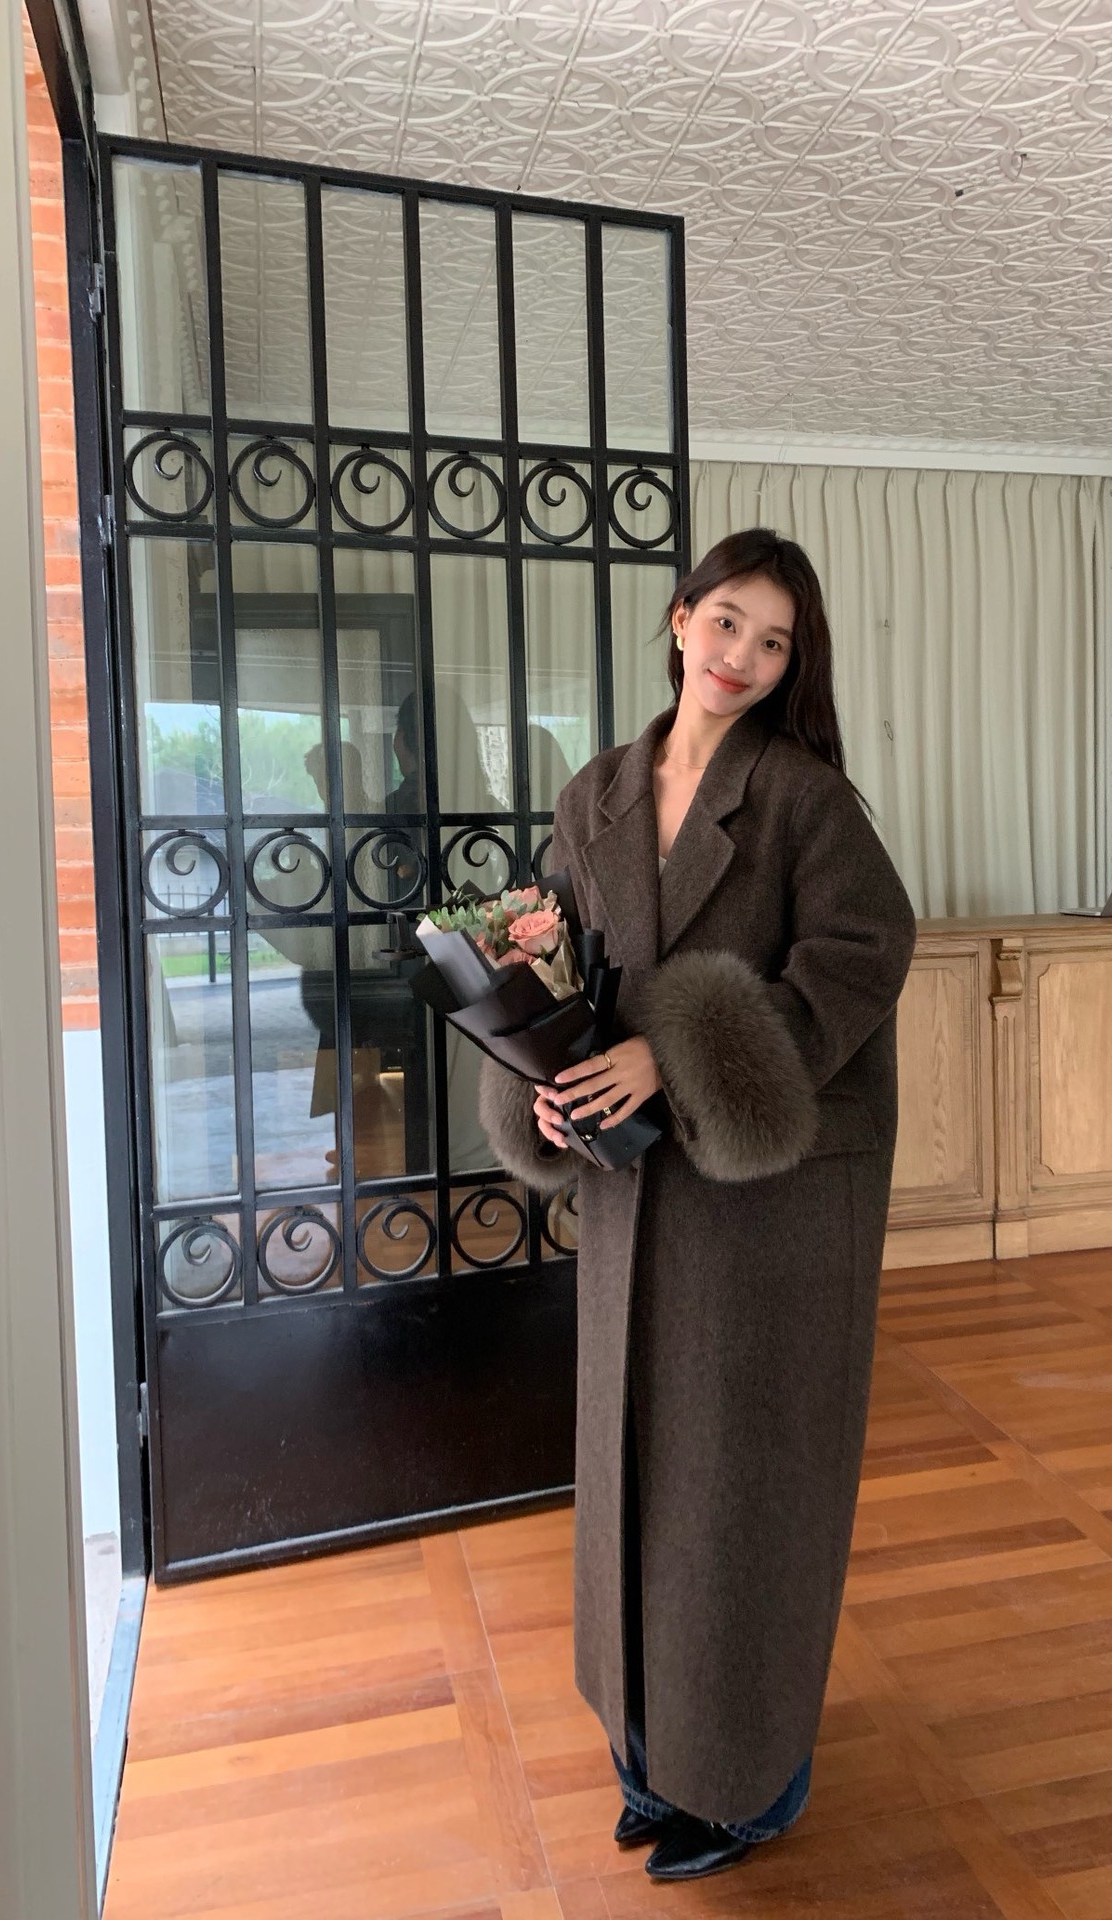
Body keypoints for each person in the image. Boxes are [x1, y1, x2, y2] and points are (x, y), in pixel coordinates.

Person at [480, 529, 917, 1881]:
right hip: (634, 1198)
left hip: (768, 1214)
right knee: (637, 1474)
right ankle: (650, 1753)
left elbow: (868, 952)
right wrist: (545, 1086)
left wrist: (675, 1054)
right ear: (680, 621)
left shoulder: (804, 801)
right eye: (727, 622)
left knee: (743, 1493)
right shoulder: (597, 793)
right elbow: (555, 967)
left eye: (773, 641)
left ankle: (747, 1784)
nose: (741, 657)